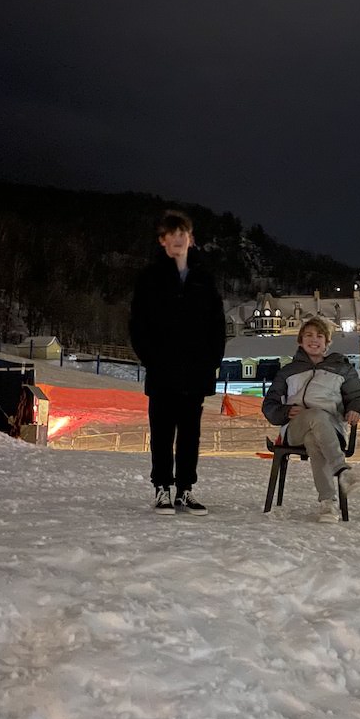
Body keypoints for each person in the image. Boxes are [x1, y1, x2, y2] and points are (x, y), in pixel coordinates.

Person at [128, 210, 227, 515]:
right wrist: (151, 359)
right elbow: (138, 325)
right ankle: (162, 489)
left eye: (183, 234)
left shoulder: (203, 277)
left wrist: (212, 360)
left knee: (190, 434)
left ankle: (185, 490)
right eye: (172, 235)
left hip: (196, 371)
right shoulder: (150, 277)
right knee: (161, 431)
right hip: (162, 370)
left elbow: (217, 324)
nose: (178, 239)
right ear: (162, 241)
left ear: (191, 238)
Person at [262, 316, 360, 521]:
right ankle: (342, 470)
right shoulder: (288, 371)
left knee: (314, 439)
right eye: (308, 335)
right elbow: (269, 404)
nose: (314, 339)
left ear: (327, 343)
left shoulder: (342, 369)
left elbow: (358, 396)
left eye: (320, 336)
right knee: (315, 416)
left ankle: (328, 504)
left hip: (330, 430)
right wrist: (284, 411)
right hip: (295, 429)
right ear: (300, 340)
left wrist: (355, 409)